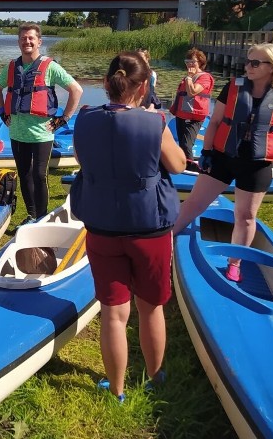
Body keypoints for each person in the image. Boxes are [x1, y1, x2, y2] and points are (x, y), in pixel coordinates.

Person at [69, 52, 186, 403]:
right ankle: (154, 377)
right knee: (150, 306)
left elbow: (81, 158)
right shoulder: (156, 123)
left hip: (103, 227)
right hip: (148, 227)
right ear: (145, 86)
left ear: (106, 84)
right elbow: (178, 165)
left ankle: (117, 389)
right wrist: (153, 122)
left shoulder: (84, 120)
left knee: (114, 312)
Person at [171, 43, 273, 282]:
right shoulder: (233, 87)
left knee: (246, 216)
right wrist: (207, 152)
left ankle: (235, 264)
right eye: (248, 61)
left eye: (255, 63)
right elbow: (216, 121)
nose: (248, 66)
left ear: (272, 67)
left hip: (256, 165)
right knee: (193, 204)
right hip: (222, 158)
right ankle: (166, 241)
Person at [0, 23, 83, 225]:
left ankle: (42, 218)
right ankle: (31, 215)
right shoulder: (11, 67)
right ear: (18, 42)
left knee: (39, 175)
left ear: (39, 42)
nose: (27, 41)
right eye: (23, 38)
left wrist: (64, 119)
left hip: (42, 133)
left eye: (31, 38)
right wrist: (1, 113)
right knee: (24, 175)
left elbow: (76, 90)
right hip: (16, 132)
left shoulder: (50, 67)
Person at [170, 48, 214, 170]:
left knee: (186, 144)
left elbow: (192, 92)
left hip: (194, 116)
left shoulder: (205, 77)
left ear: (200, 62)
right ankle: (182, 164)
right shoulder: (187, 77)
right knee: (182, 143)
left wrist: (189, 78)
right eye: (187, 61)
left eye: (193, 61)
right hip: (181, 115)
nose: (190, 64)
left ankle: (190, 169)